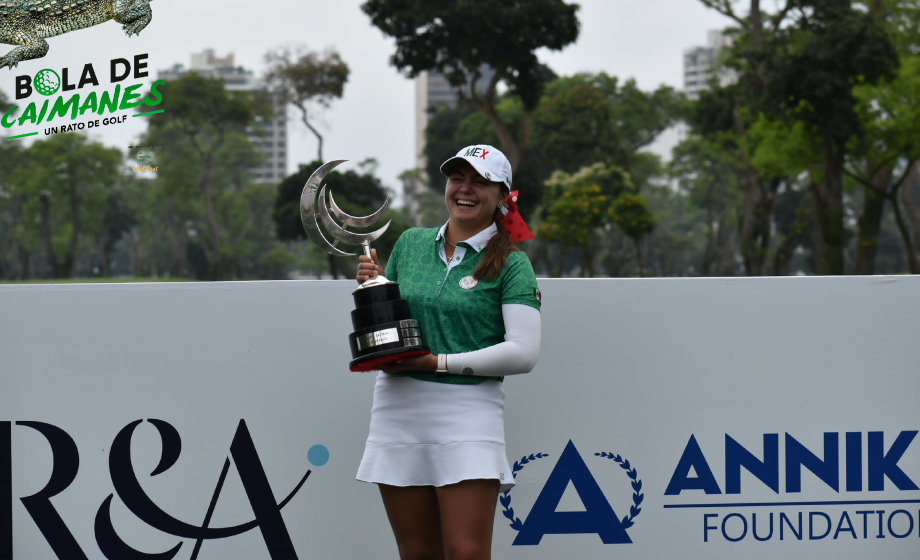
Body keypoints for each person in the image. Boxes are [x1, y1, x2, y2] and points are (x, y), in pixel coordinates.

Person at [354, 145, 542, 560]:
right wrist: (376, 287)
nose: (466, 189)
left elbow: (524, 353)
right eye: (458, 178)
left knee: (467, 553)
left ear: (503, 195)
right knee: (417, 554)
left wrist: (436, 363)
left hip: (467, 410)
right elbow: (391, 332)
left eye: (480, 181)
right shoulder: (410, 244)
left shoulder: (512, 264)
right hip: (398, 408)